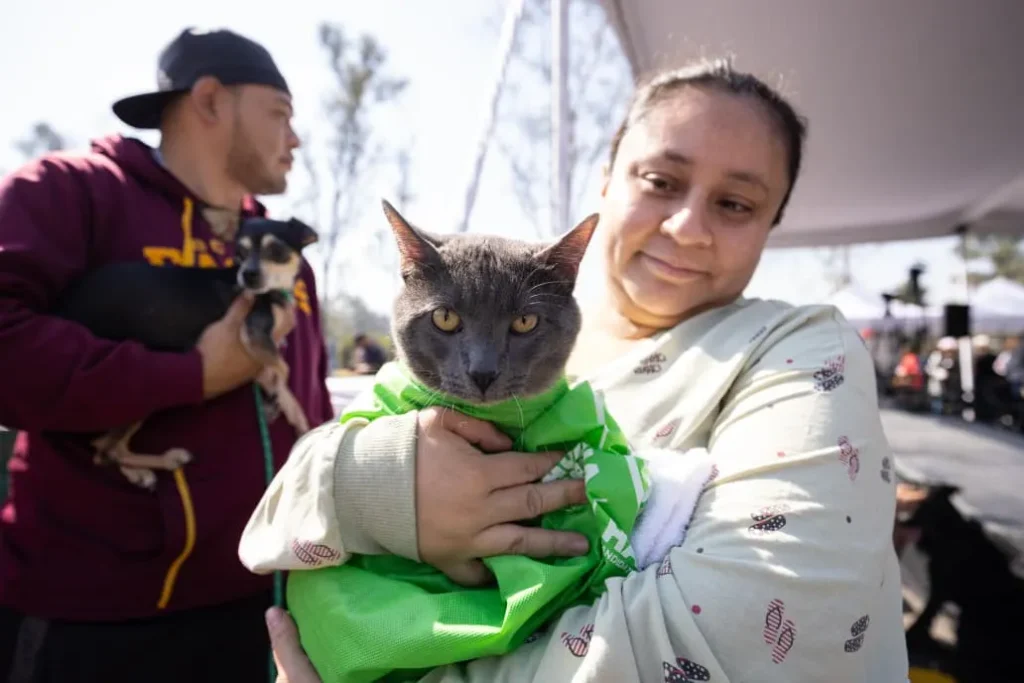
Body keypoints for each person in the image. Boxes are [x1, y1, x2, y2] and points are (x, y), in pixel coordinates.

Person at [255, 58, 907, 682]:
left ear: (774, 221)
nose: (686, 226)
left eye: (735, 203)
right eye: (661, 181)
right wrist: (376, 486)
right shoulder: (498, 343)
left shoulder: (797, 348)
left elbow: (748, 639)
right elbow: (271, 532)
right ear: (607, 176)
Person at [0, 27, 334, 683]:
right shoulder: (69, 192)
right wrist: (192, 375)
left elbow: (314, 420)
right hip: (87, 626)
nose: (295, 138)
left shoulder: (287, 258)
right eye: (281, 114)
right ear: (210, 100)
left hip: (261, 615)